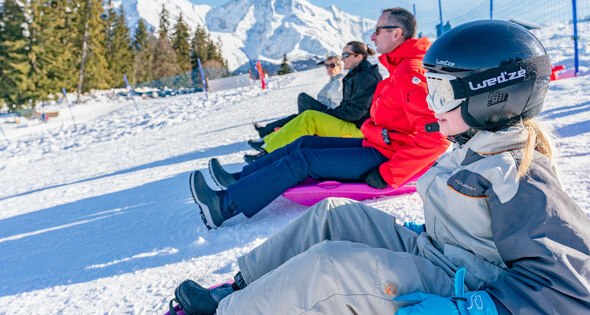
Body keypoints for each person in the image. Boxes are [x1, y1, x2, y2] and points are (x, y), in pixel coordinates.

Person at [171, 20, 590, 315]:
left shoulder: (521, 176)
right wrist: (427, 233)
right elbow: (475, 226)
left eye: (442, 93)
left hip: (470, 288)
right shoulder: (472, 145)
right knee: (335, 215)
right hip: (442, 255)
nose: (431, 105)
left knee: (333, 266)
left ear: (491, 97)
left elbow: (570, 288)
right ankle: (243, 286)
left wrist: (478, 308)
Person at [190, 7, 450, 229]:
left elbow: (436, 140)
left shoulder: (410, 71)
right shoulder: (399, 67)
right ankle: (240, 180)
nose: (372, 36)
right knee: (303, 143)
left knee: (303, 161)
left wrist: (388, 174)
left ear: (397, 33)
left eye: (378, 30)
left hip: (387, 156)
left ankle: (223, 206)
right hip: (377, 144)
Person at [246, 41, 381, 160]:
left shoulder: (365, 77)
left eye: (345, 55)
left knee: (309, 117)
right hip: (356, 124)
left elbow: (355, 112)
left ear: (359, 56)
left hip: (360, 130)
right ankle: (267, 143)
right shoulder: (358, 74)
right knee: (306, 115)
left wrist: (328, 114)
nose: (342, 59)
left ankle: (267, 151)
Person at [253, 54, 345, 139]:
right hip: (324, 110)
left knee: (303, 98)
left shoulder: (338, 82)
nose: (329, 68)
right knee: (294, 117)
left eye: (332, 65)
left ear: (339, 67)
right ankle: (265, 131)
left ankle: (302, 127)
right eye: (327, 66)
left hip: (328, 113)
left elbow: (338, 103)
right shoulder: (332, 81)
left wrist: (328, 116)